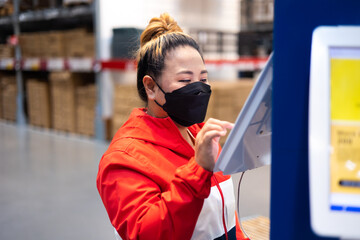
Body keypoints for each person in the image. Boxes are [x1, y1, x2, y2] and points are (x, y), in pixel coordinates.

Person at [97, 13, 249, 240]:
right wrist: (198, 169)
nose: (198, 88)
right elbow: (147, 234)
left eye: (203, 79)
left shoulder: (199, 136)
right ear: (150, 87)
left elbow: (226, 222)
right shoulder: (124, 159)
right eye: (185, 80)